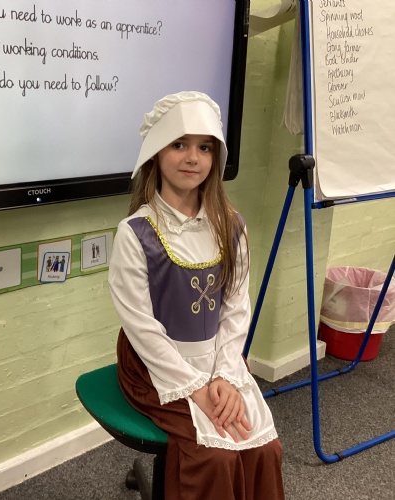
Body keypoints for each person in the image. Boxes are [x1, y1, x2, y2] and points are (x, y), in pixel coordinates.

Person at [108, 91, 285, 500]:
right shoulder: (136, 233)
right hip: (155, 364)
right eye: (179, 144)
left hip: (219, 358)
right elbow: (141, 328)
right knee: (215, 456)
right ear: (156, 153)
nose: (193, 158)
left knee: (263, 447)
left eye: (205, 147)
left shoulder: (231, 226)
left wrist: (224, 376)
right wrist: (195, 389)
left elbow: (236, 309)